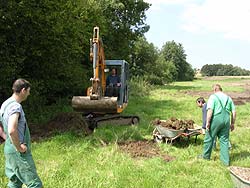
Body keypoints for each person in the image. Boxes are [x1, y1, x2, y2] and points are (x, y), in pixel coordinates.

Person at [0, 78, 43, 188]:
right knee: (35, 184)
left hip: (9, 150)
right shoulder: (15, 106)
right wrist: (19, 147)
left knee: (15, 182)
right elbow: (12, 129)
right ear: (23, 90)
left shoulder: (5, 104)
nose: (29, 94)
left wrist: (7, 138)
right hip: (18, 152)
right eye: (28, 91)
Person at [203, 84, 236, 166]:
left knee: (209, 137)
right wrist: (232, 123)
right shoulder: (228, 98)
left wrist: (207, 122)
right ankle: (225, 162)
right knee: (224, 140)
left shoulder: (213, 97)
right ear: (221, 89)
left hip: (216, 119)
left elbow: (210, 110)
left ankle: (206, 157)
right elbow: (234, 112)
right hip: (226, 120)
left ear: (214, 89)